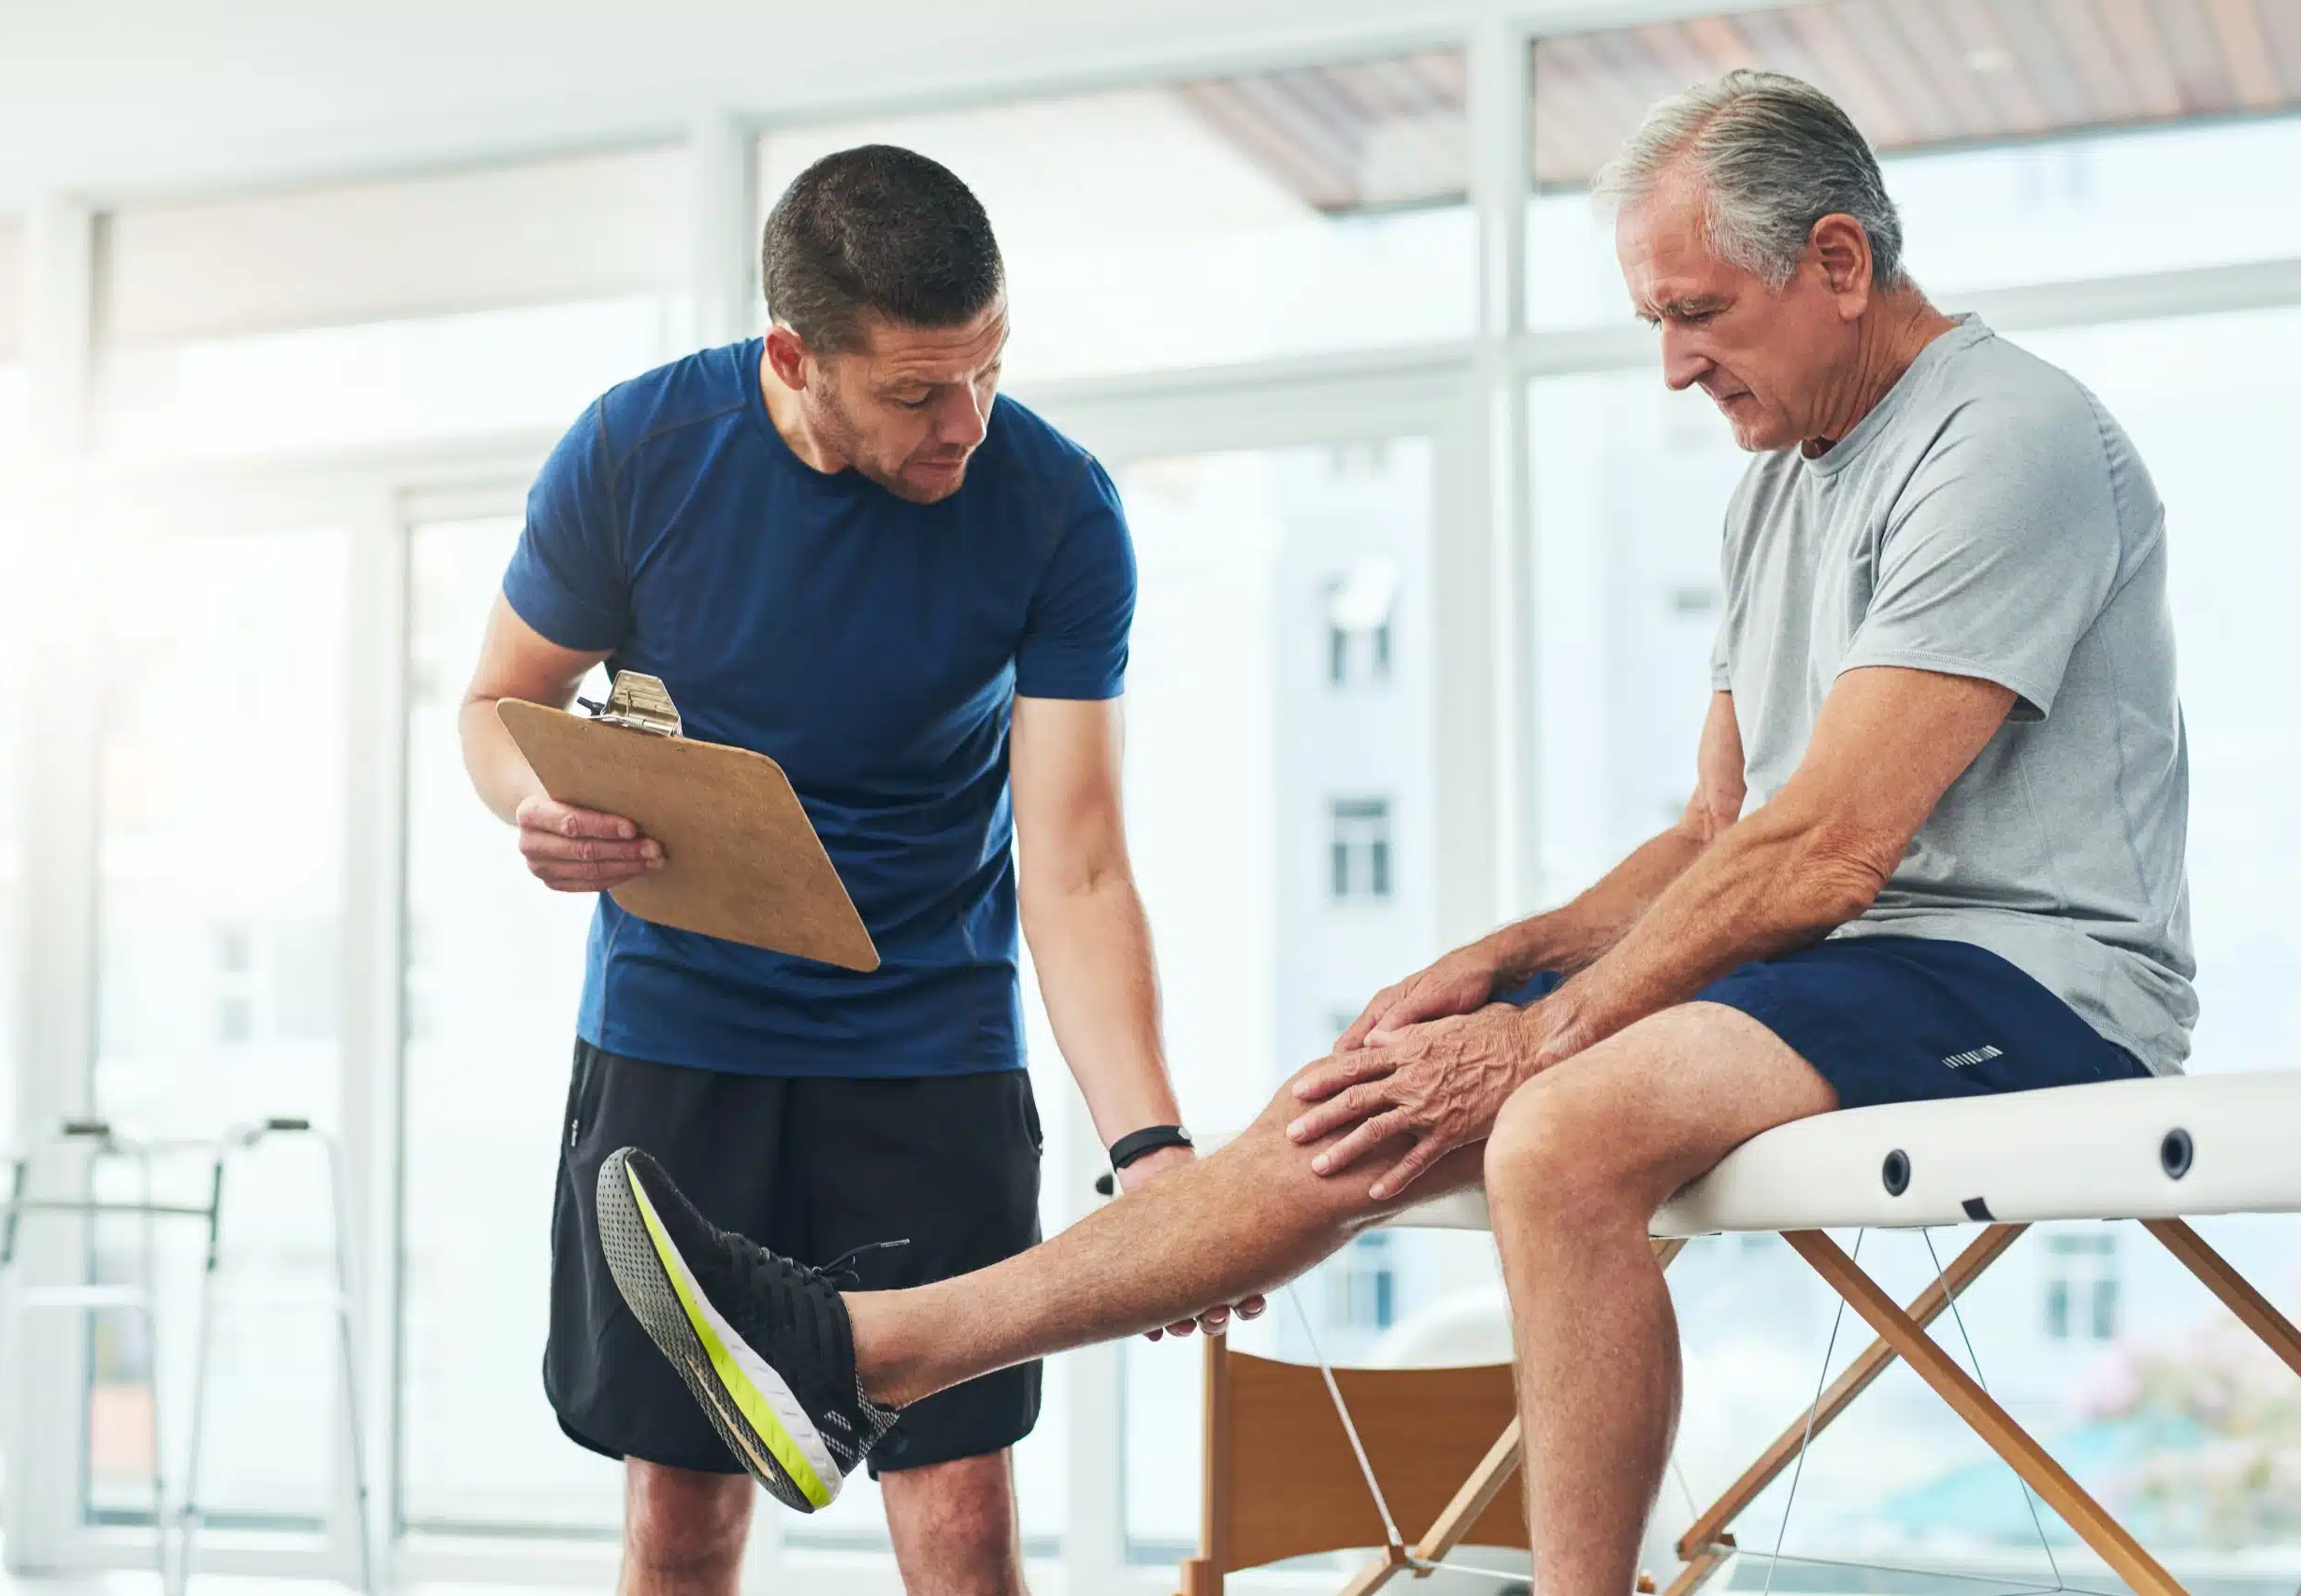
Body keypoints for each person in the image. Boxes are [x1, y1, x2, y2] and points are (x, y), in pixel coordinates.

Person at [594, 70, 2196, 1596]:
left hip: (2027, 978)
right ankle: (870, 1353)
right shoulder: (1775, 484)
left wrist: (1538, 1040)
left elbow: (1829, 849)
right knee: (1365, 1085)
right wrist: (1489, 969)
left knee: (1563, 1128)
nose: (1675, 367)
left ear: (1838, 262)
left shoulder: (2004, 439)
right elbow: (1720, 831)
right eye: (1657, 322)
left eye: (1697, 314)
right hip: (1844, 969)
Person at [459, 145, 1223, 1596]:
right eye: (918, 392)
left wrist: (1150, 1151)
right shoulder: (636, 452)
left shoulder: (1058, 507)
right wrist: (530, 805)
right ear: (795, 356)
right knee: (679, 1519)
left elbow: (1075, 869)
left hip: (928, 1038)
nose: (968, 424)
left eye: (989, 370)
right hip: (678, 1033)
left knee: (962, 1517)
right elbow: (500, 705)